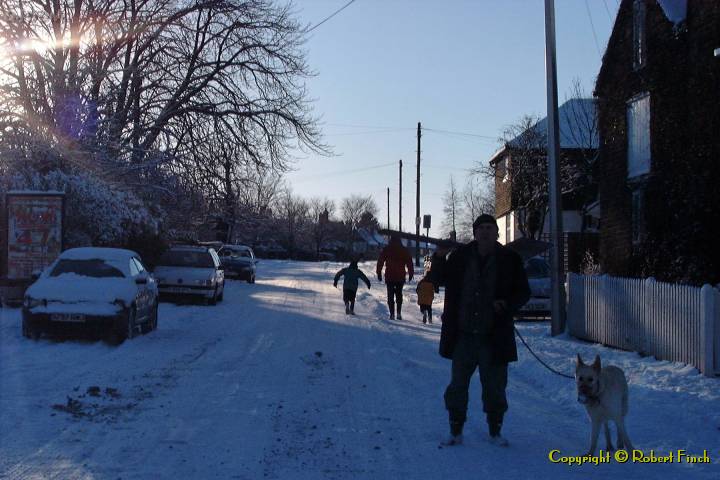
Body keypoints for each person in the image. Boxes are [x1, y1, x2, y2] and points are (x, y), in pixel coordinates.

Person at [430, 214, 530, 447]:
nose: (485, 232)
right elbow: (435, 279)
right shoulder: (459, 257)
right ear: (474, 232)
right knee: (457, 387)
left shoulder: (509, 259)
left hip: (493, 336)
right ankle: (456, 430)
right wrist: (438, 256)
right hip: (464, 334)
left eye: (489, 228)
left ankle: (495, 431)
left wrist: (506, 304)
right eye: (481, 228)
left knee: (495, 388)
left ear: (496, 232)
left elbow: (523, 292)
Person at [376, 235, 414, 320]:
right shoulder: (404, 250)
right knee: (399, 294)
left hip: (390, 276)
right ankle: (399, 313)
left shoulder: (387, 249)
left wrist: (378, 272)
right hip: (400, 276)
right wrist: (411, 273)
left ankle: (392, 314)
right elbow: (409, 262)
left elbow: (380, 261)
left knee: (390, 295)